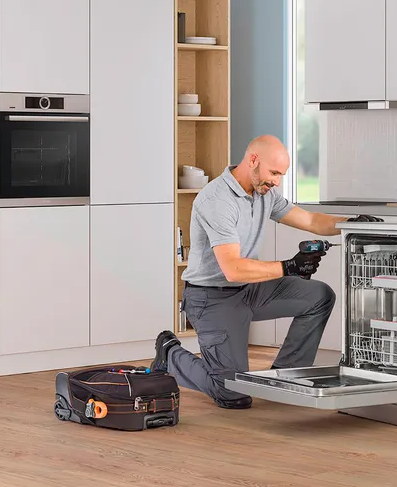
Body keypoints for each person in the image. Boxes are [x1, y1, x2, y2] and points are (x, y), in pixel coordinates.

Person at [149, 135, 382, 409]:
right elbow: (233, 269)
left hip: (250, 291)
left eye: (281, 175)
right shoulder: (217, 199)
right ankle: (170, 355)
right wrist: (290, 267)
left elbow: (309, 219)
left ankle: (286, 378)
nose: (277, 181)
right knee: (232, 393)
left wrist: (350, 223)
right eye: (274, 173)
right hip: (211, 298)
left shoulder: (265, 194)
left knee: (320, 295)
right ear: (253, 161)